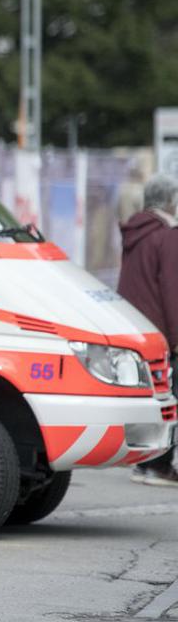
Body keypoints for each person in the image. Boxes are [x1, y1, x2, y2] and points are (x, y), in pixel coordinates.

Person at [117, 174, 178, 487]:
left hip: (135, 326)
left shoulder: (135, 231)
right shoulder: (166, 235)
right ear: (169, 201)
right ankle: (159, 464)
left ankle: (143, 462)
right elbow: (172, 288)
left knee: (149, 395)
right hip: (161, 331)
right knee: (169, 396)